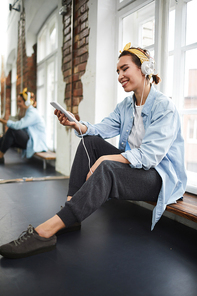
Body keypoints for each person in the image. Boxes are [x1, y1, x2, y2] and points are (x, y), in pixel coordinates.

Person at [0, 43, 187, 259]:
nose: (120, 76)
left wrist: (103, 160)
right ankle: (71, 211)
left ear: (144, 68)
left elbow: (149, 156)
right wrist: (75, 124)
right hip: (137, 170)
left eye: (124, 68)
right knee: (89, 140)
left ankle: (45, 232)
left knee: (107, 166)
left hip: (158, 177)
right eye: (118, 71)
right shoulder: (126, 105)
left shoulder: (164, 107)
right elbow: (101, 129)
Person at [0, 88, 48, 164]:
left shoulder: (32, 113)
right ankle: (0, 156)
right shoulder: (28, 112)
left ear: (27, 102)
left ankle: (0, 156)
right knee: (6, 136)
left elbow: (18, 126)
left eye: (20, 101)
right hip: (30, 140)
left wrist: (1, 120)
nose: (18, 103)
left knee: (12, 130)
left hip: (36, 144)